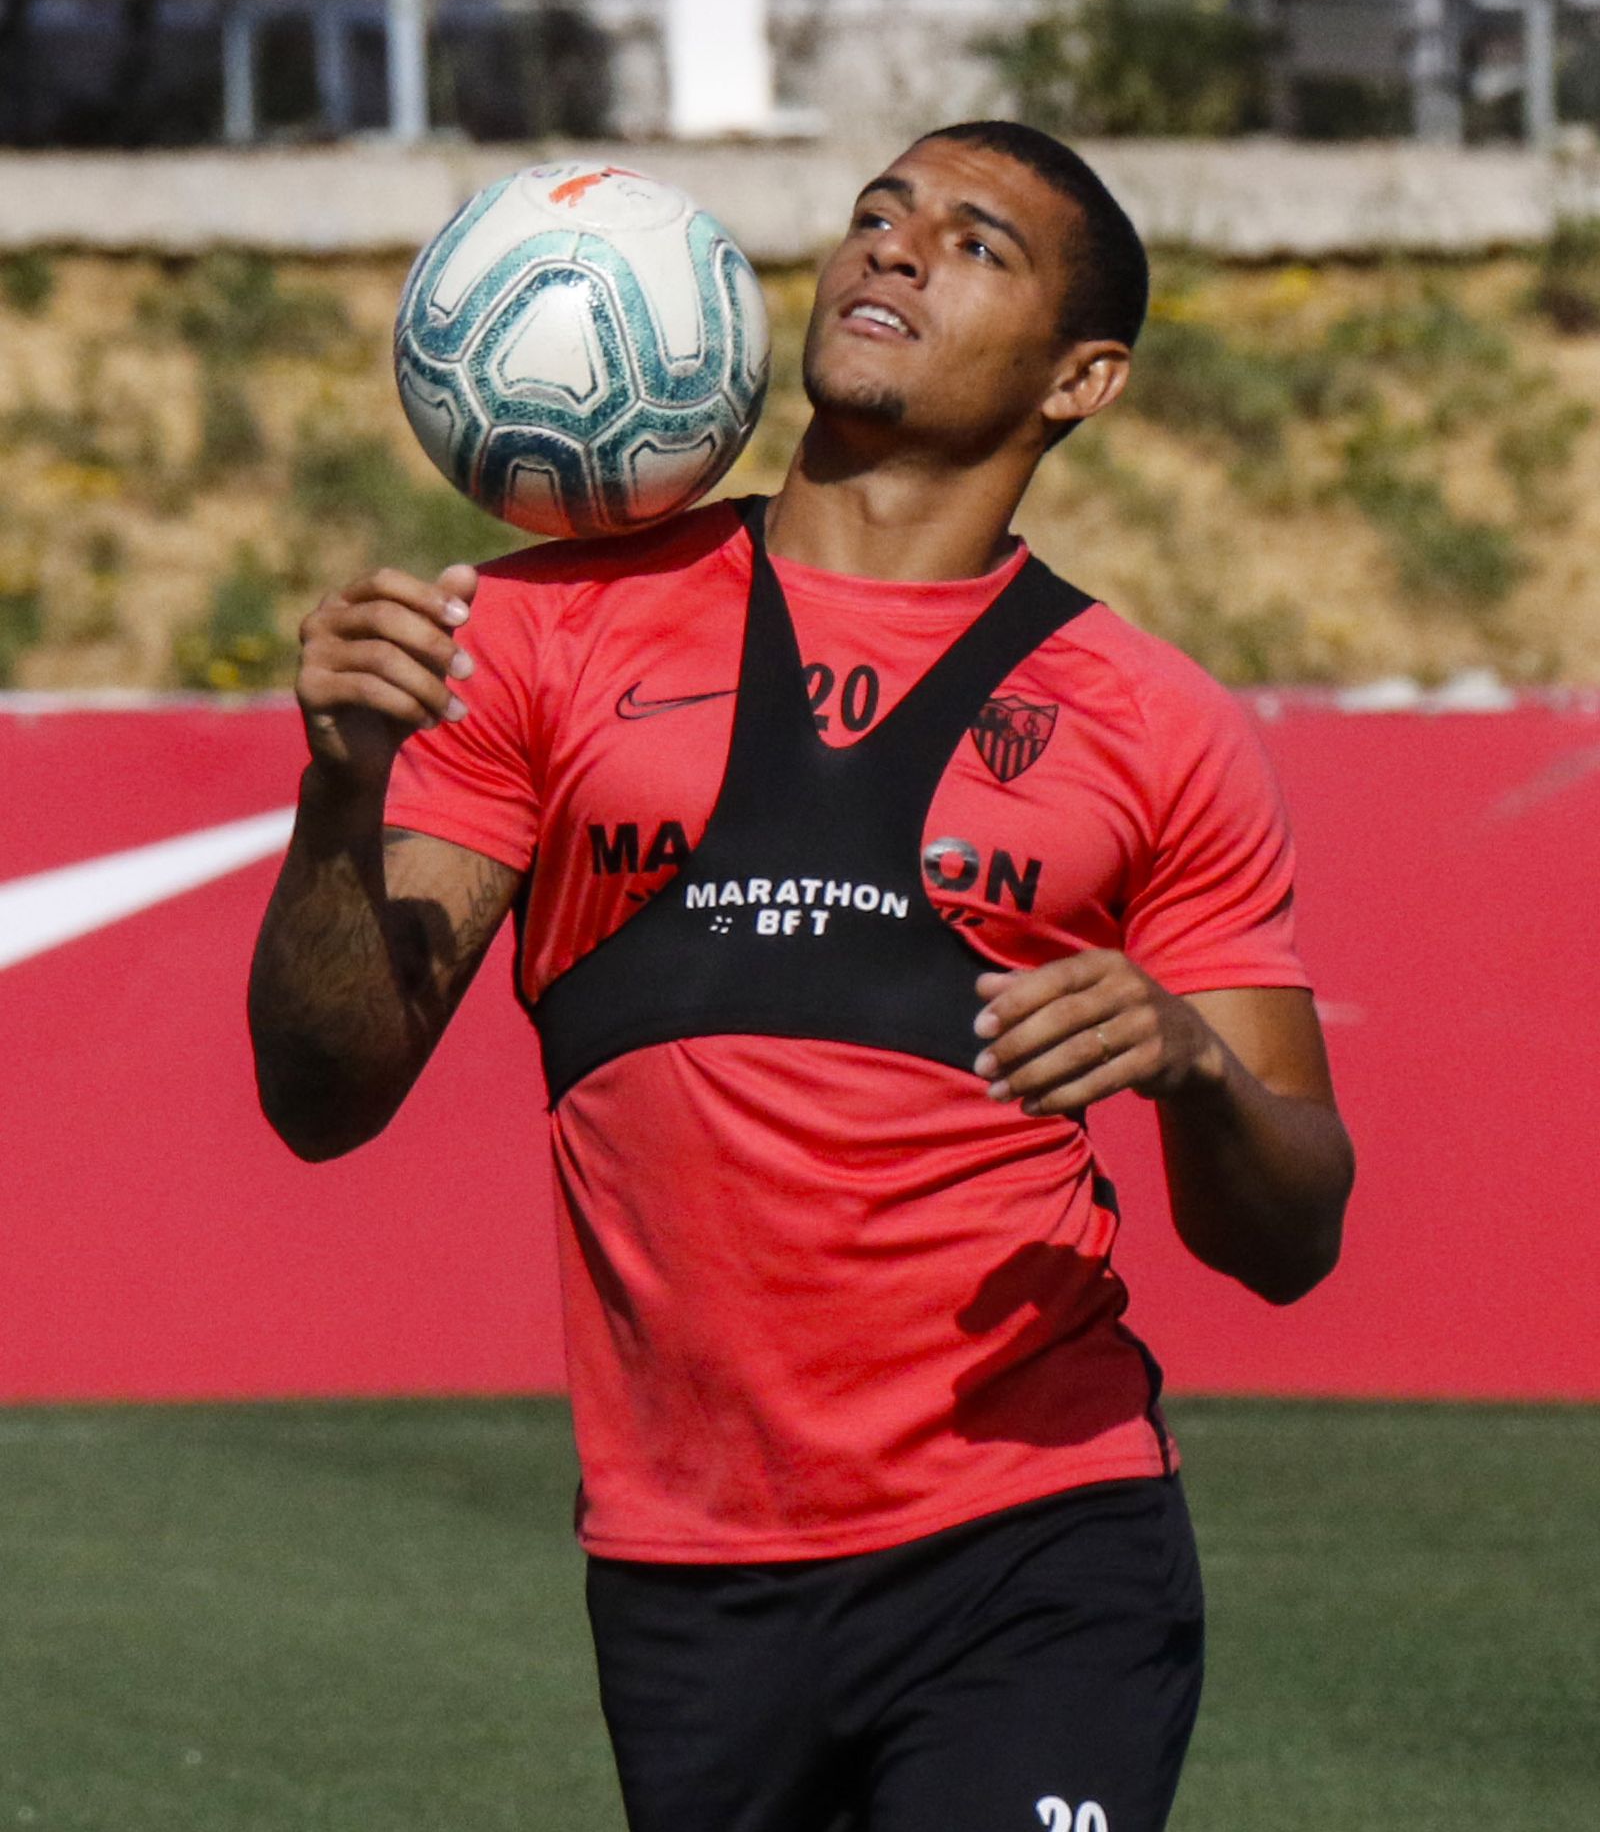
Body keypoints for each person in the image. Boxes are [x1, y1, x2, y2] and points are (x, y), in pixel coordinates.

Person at [249, 120, 1355, 1832]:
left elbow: (1290, 1236)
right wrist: (342, 793)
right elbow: (326, 1095)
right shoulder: (541, 631)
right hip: (685, 1573)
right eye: (876, 215)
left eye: (977, 243)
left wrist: (1191, 1062)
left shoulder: (1158, 724)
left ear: (1087, 378)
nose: (894, 252)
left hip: (1037, 1540)